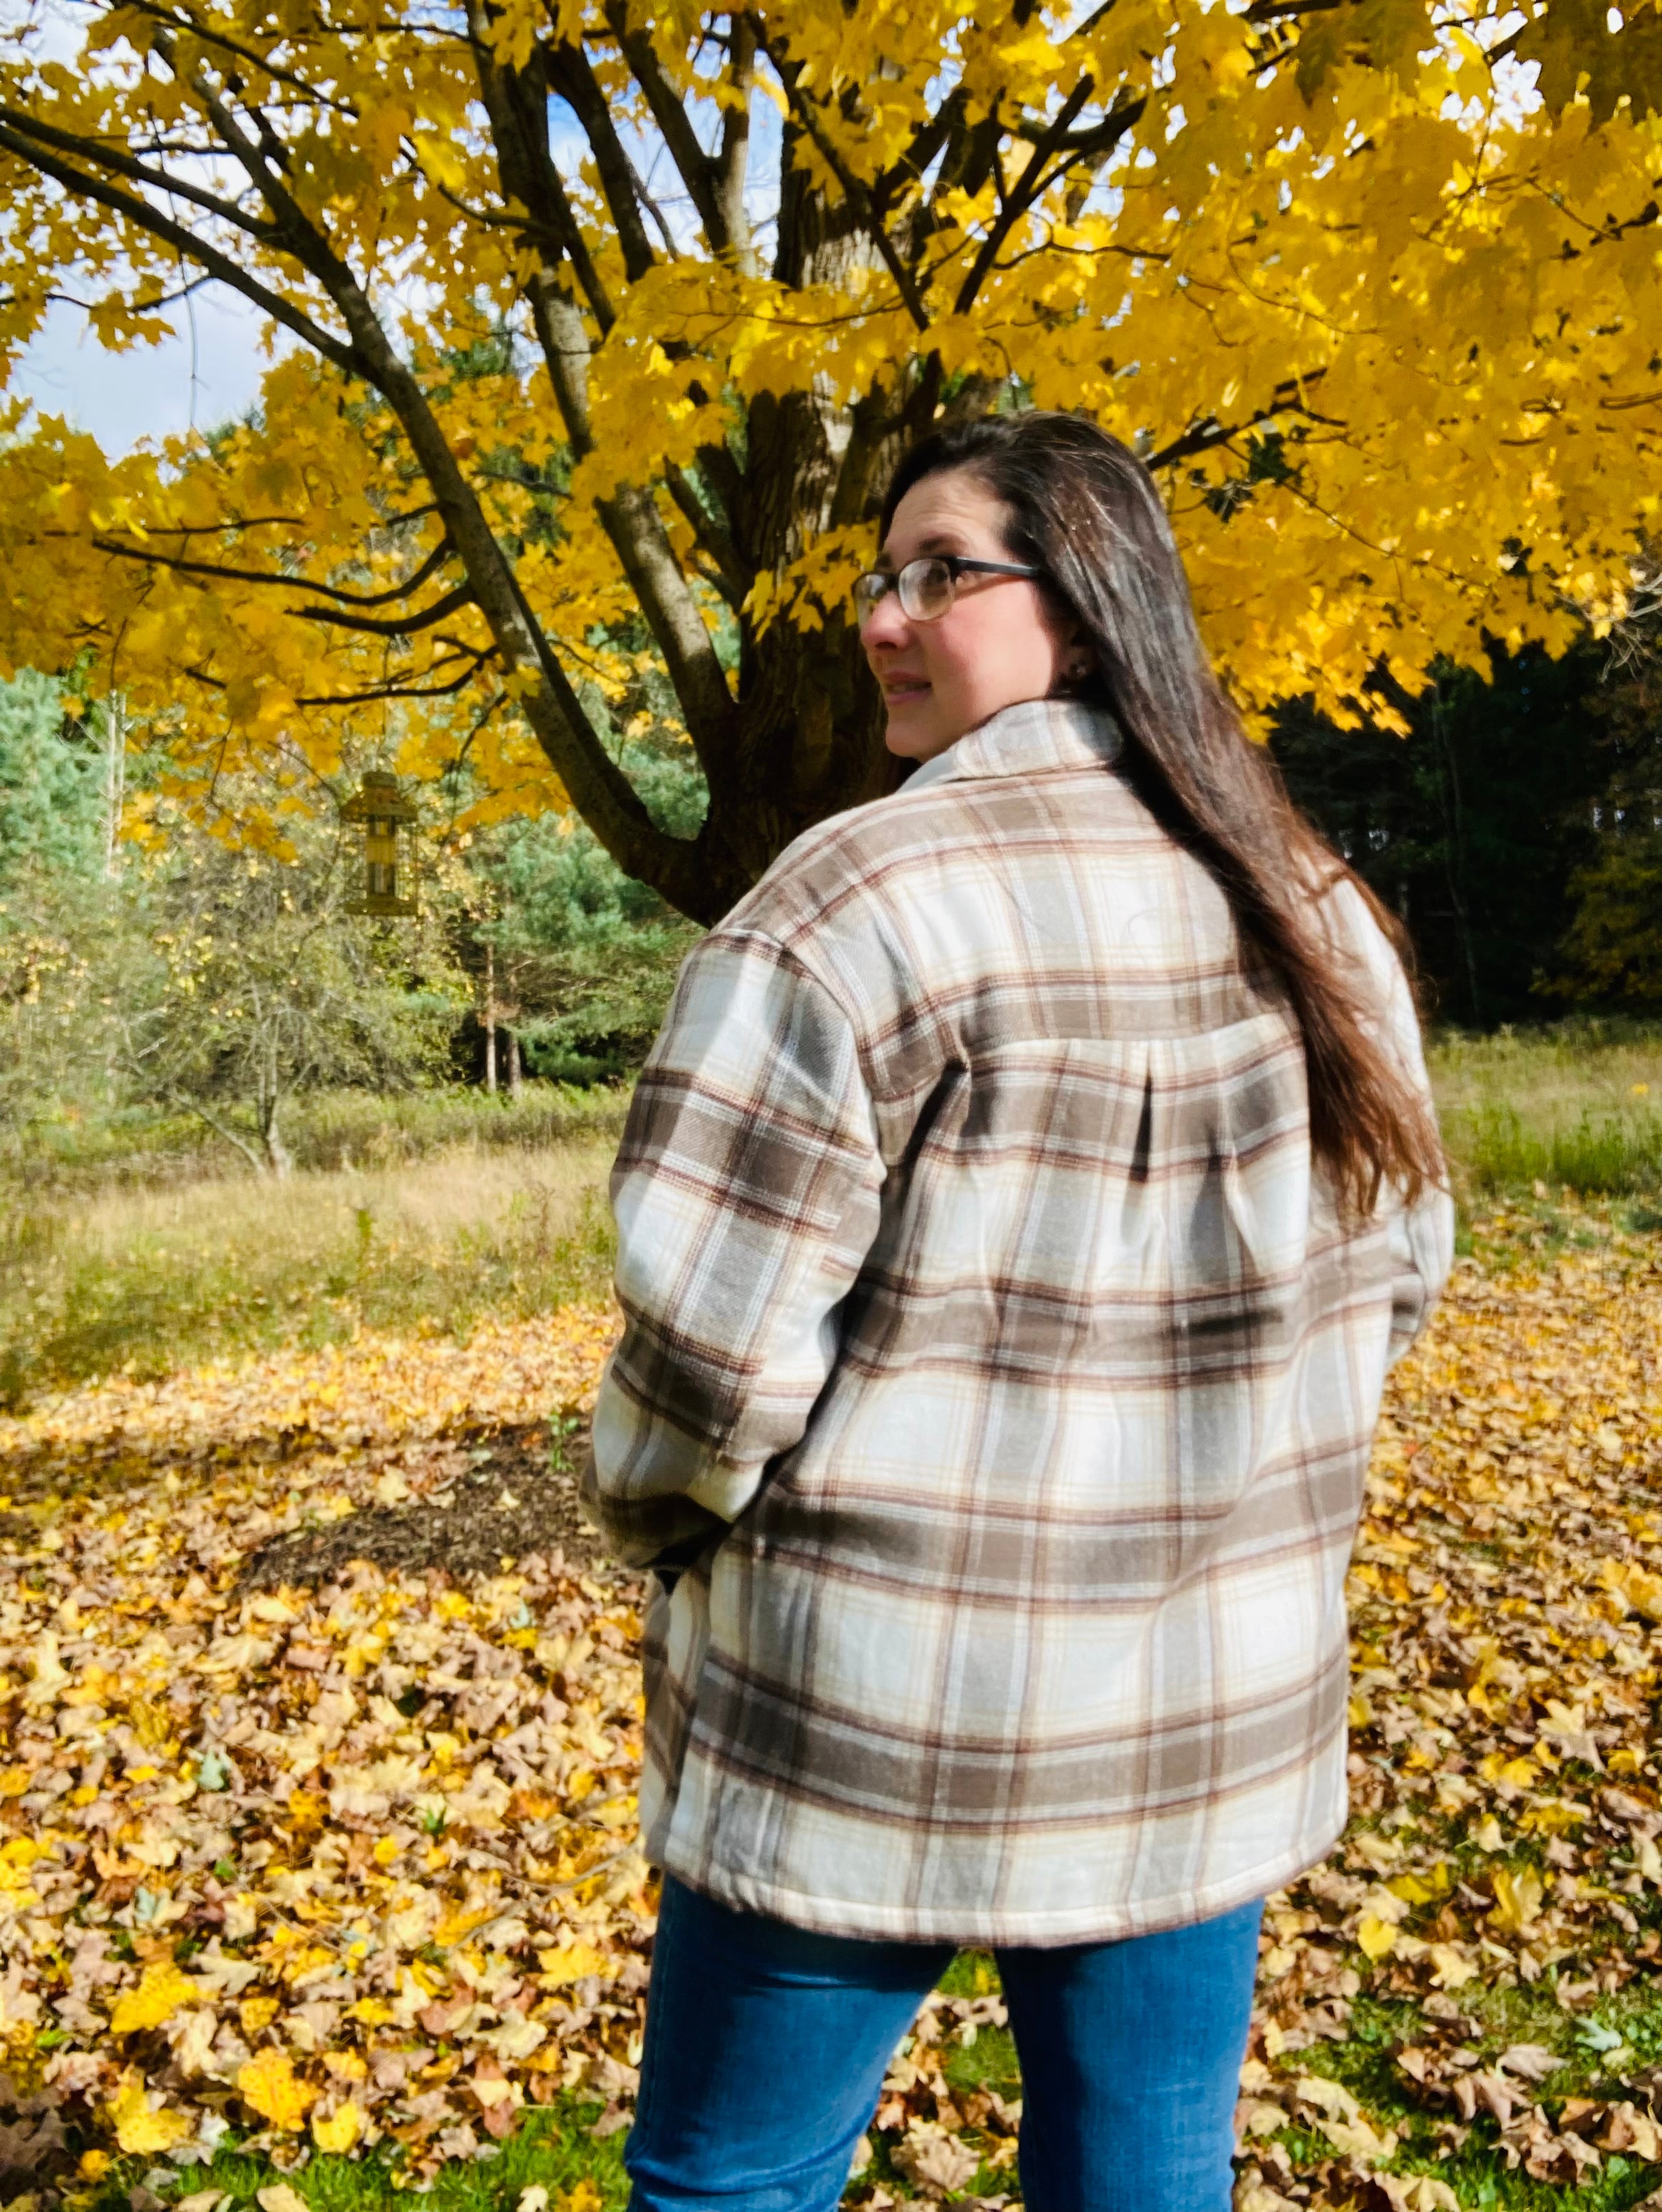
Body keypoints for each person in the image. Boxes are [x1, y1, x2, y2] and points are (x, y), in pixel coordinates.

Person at [582, 411, 1454, 2212]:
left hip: (868, 1711)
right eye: (873, 578)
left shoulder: (849, 899)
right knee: (1142, 2177)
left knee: (730, 2183)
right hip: (1195, 1700)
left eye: (938, 574)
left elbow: (701, 1348)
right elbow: (1396, 1272)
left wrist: (669, 1526)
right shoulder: (1311, 904)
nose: (883, 617)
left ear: (1088, 596)